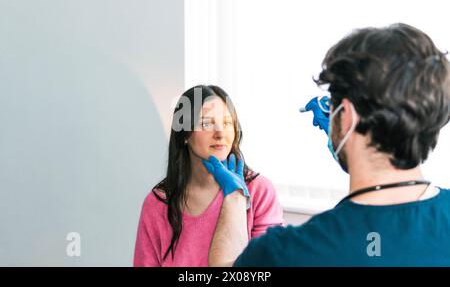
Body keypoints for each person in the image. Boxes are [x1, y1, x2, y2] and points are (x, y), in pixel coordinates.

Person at [205, 23, 450, 266]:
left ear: (349, 116)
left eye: (333, 108)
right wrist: (350, 146)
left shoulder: (288, 252)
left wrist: (235, 197)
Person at [133, 85, 283, 266]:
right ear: (185, 135)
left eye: (227, 123)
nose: (220, 134)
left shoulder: (259, 191)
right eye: (206, 123)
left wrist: (235, 198)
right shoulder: (158, 203)